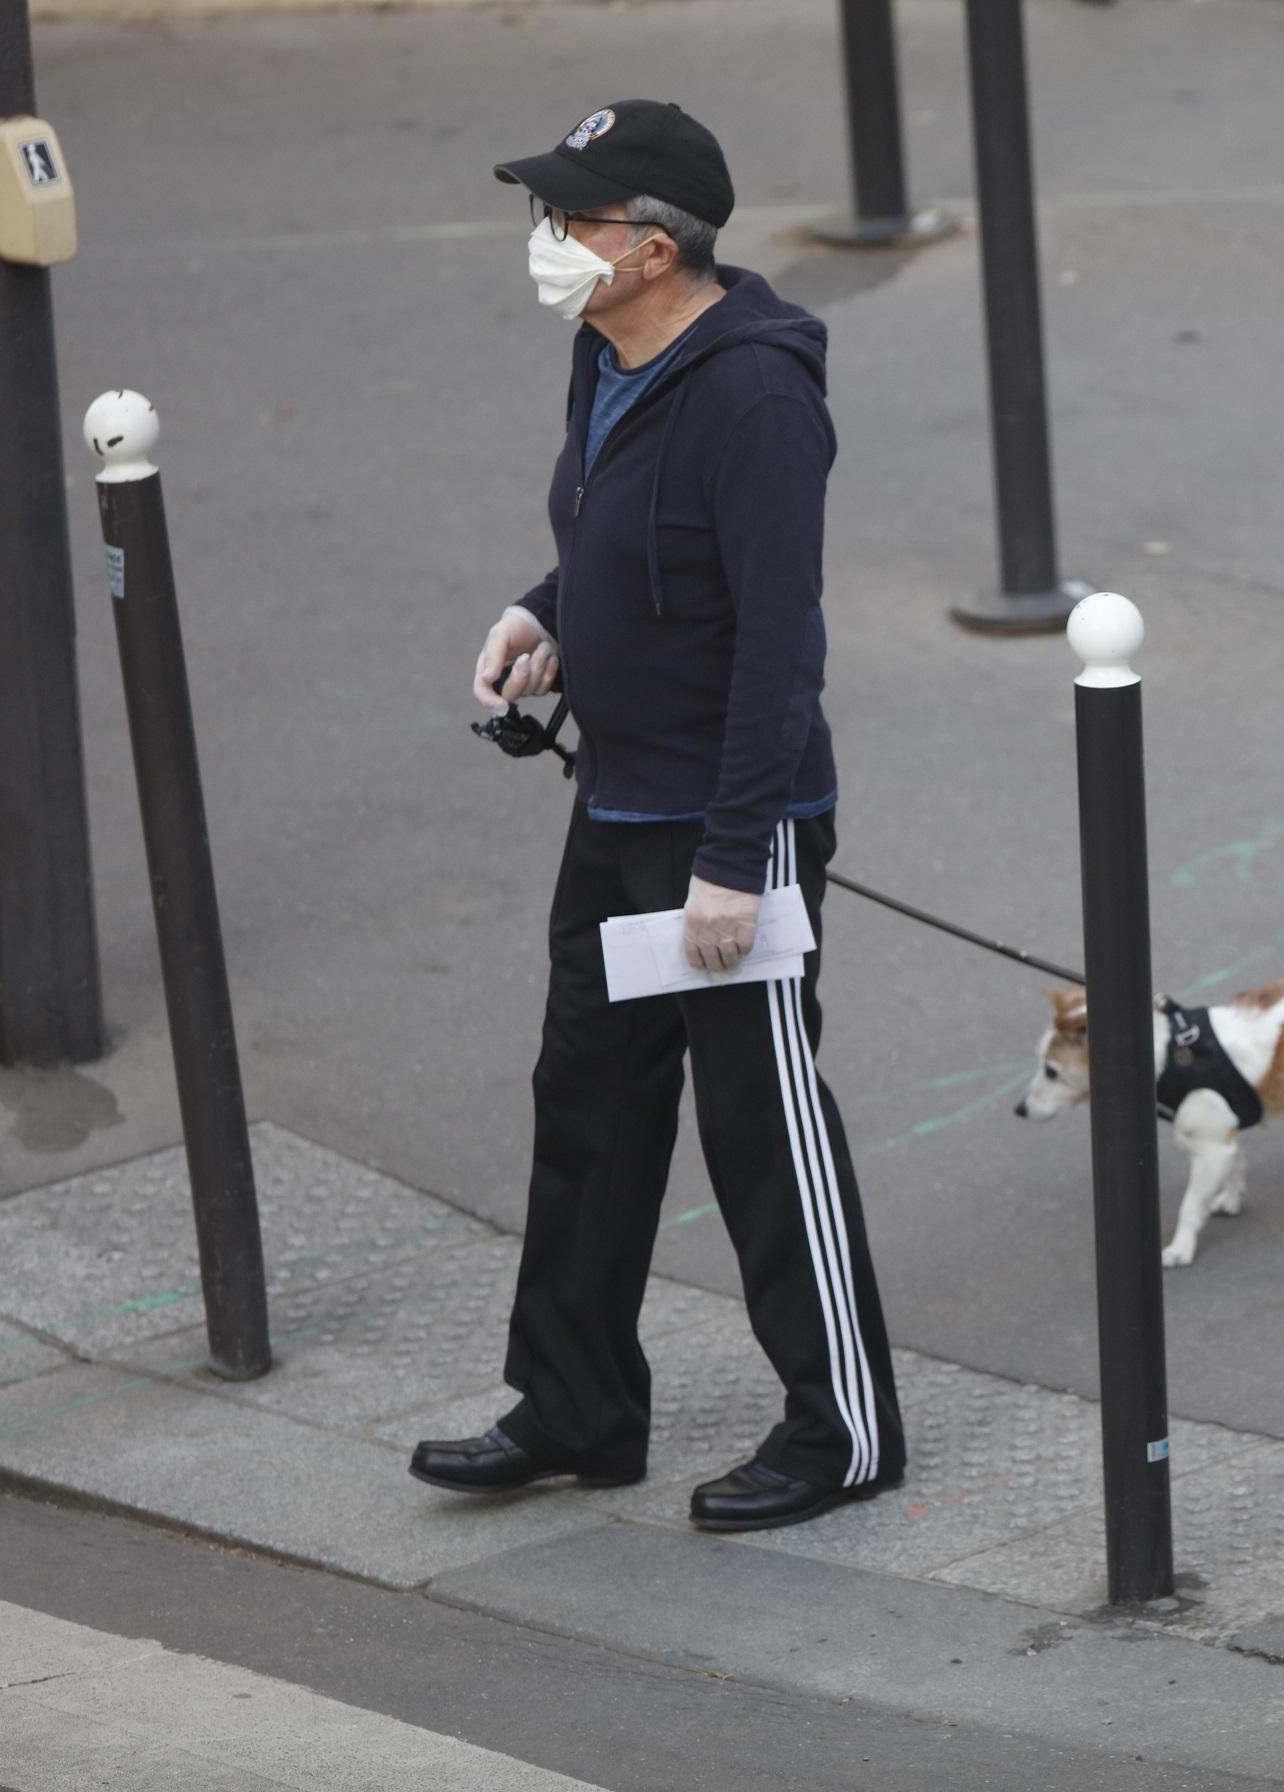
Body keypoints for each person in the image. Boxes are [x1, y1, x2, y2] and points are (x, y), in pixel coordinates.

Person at [410, 100, 907, 1532]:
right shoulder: (606, 352)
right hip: (618, 802)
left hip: (727, 830)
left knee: (762, 1128)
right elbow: (616, 538)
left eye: (571, 217)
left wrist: (736, 862)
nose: (547, 238)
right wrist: (547, 614)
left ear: (650, 248)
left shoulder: (756, 399)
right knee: (589, 1103)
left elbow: (778, 644)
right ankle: (574, 1404)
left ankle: (844, 1431)